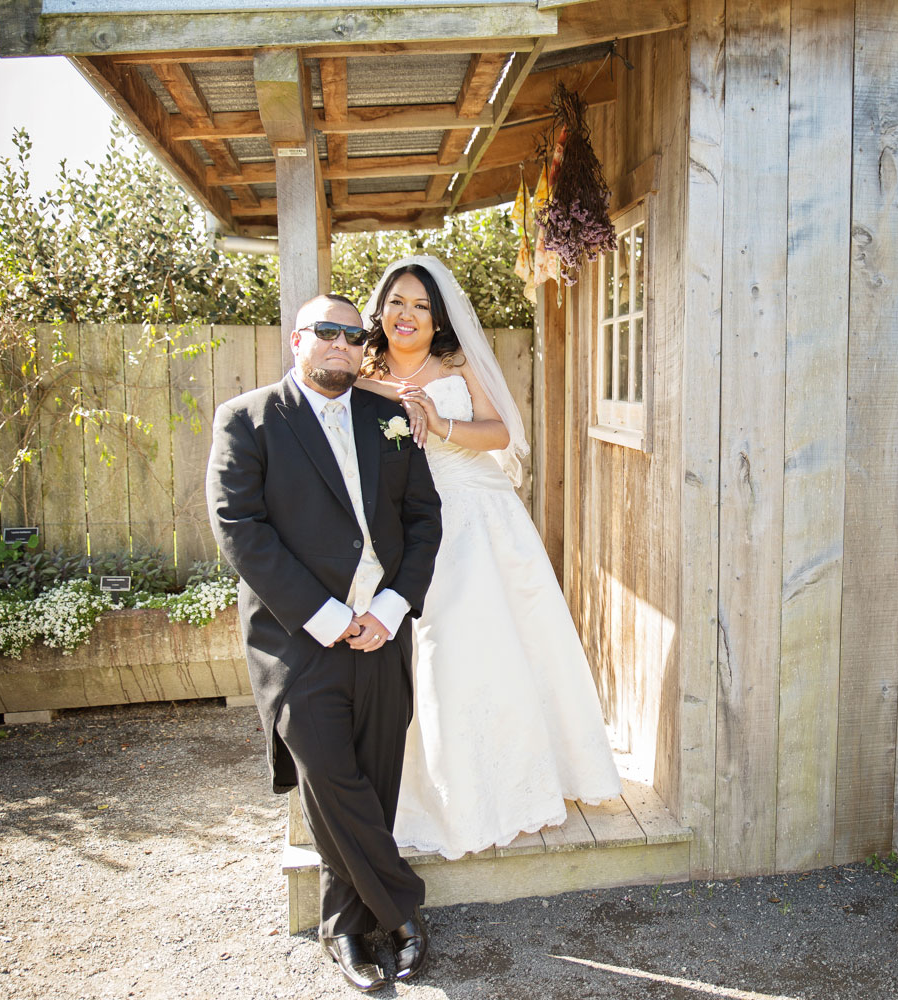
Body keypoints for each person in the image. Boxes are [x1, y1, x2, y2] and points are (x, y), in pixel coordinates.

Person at [205, 293, 441, 990]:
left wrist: (393, 606)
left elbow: (423, 519)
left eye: (351, 333)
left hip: (384, 631)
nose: (342, 342)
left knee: (375, 778)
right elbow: (240, 528)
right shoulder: (247, 421)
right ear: (297, 340)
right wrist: (330, 617)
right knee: (331, 776)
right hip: (297, 639)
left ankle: (350, 927)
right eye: (327, 331)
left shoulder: (389, 417)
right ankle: (399, 909)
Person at [356, 255, 621, 860]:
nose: (408, 314)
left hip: (476, 515)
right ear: (381, 308)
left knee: (487, 643)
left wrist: (437, 419)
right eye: (398, 301)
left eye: (422, 306)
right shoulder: (362, 376)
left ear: (437, 318)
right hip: (402, 524)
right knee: (426, 650)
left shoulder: (455, 364)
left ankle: (516, 785)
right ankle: (443, 791)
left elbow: (501, 433)